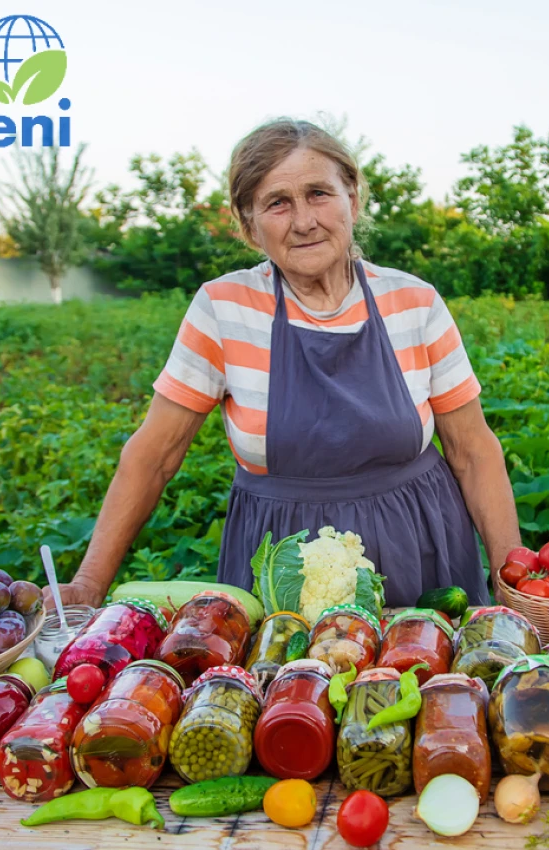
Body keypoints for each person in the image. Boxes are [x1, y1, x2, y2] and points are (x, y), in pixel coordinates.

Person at [46, 118, 521, 611]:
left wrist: (517, 576)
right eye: (278, 203)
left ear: (352, 200)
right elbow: (154, 455)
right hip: (282, 573)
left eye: (319, 193)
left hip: (418, 547)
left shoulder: (413, 301)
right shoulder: (223, 308)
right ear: (250, 225)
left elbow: (472, 450)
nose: (303, 221)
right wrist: (88, 584)